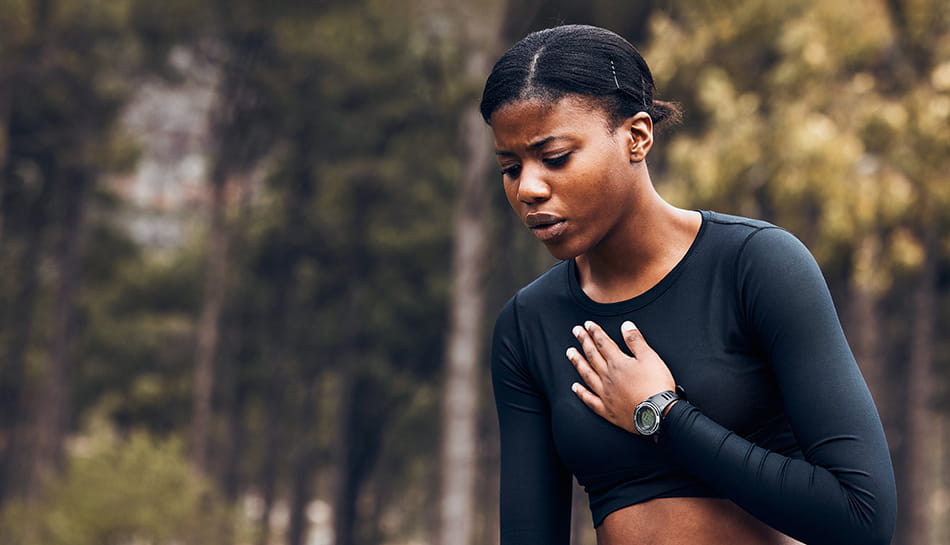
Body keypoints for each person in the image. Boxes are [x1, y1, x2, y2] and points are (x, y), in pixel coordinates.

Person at [482, 24, 897, 545]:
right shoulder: (527, 326)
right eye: (510, 167)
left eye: (556, 157)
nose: (528, 188)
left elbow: (863, 519)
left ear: (636, 137)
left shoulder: (756, 266)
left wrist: (663, 415)